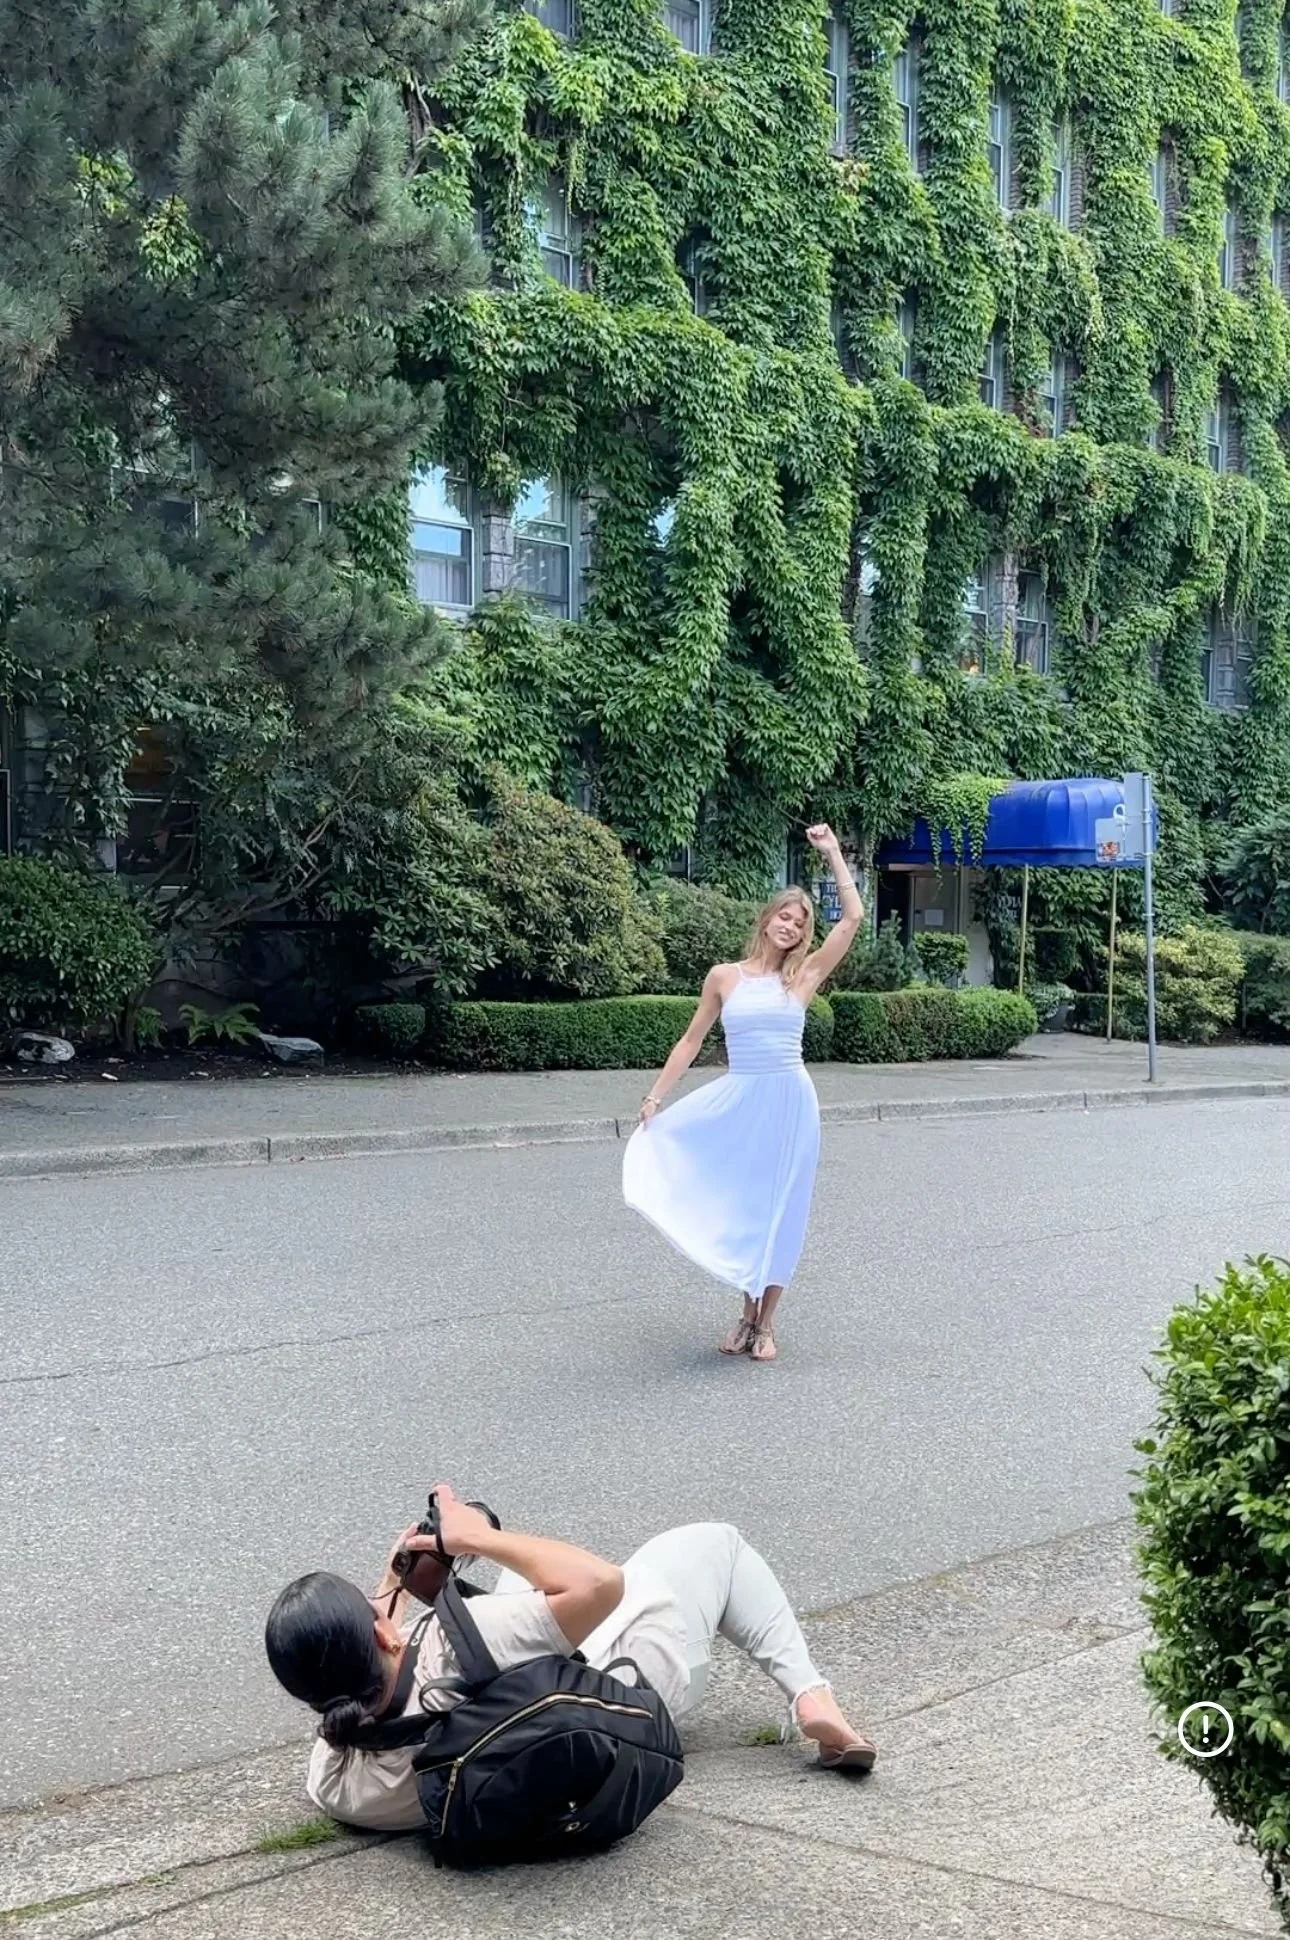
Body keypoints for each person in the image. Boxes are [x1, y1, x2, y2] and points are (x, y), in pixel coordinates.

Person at [265, 1484, 878, 1833]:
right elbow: (598, 1584)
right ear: (385, 1637)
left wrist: (401, 1570)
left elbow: (376, 1666)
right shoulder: (462, 1640)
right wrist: (475, 1537)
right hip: (631, 1694)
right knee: (713, 1546)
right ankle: (812, 1695)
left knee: (520, 1590)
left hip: (509, 1732)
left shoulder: (337, 1780)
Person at [622, 824, 863, 1361]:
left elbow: (852, 920)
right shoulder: (724, 977)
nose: (791, 927)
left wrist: (832, 855)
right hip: (742, 1101)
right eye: (785, 916)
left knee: (783, 1209)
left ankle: (767, 1323)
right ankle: (744, 1314)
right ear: (766, 919)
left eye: (800, 924)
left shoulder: (802, 977)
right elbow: (690, 1040)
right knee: (748, 1207)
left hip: (791, 1104)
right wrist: (656, 1097)